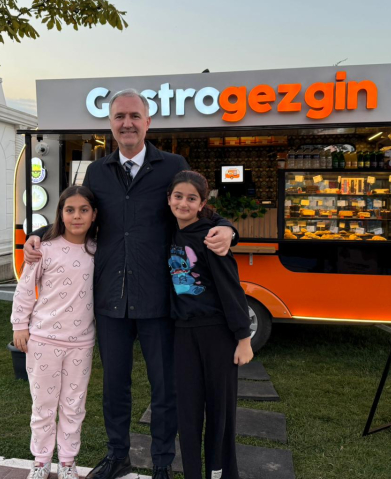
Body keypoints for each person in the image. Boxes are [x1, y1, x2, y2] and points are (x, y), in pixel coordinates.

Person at [24, 89, 237, 479]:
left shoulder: (172, 165)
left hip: (158, 300)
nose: (127, 123)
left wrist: (227, 228)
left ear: (147, 122)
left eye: (134, 116)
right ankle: (117, 455)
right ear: (110, 123)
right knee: (115, 387)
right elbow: (77, 214)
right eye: (120, 116)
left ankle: (161, 463)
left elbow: (196, 207)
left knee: (164, 388)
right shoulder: (97, 172)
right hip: (110, 299)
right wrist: (38, 235)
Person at [166, 170, 253, 479]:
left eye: (192, 198)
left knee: (220, 412)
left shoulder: (212, 238)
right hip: (183, 334)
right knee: (188, 412)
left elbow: (231, 288)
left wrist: (244, 338)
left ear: (202, 204)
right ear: (168, 199)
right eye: (178, 196)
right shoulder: (169, 232)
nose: (183, 203)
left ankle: (221, 473)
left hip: (217, 334)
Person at [12, 186, 98, 479]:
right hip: (43, 341)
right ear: (60, 214)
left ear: (94, 214)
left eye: (84, 210)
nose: (77, 216)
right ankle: (40, 461)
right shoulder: (44, 249)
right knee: (44, 406)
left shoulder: (98, 252)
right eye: (70, 210)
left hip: (81, 344)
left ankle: (68, 462)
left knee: (74, 406)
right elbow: (25, 289)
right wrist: (19, 325)